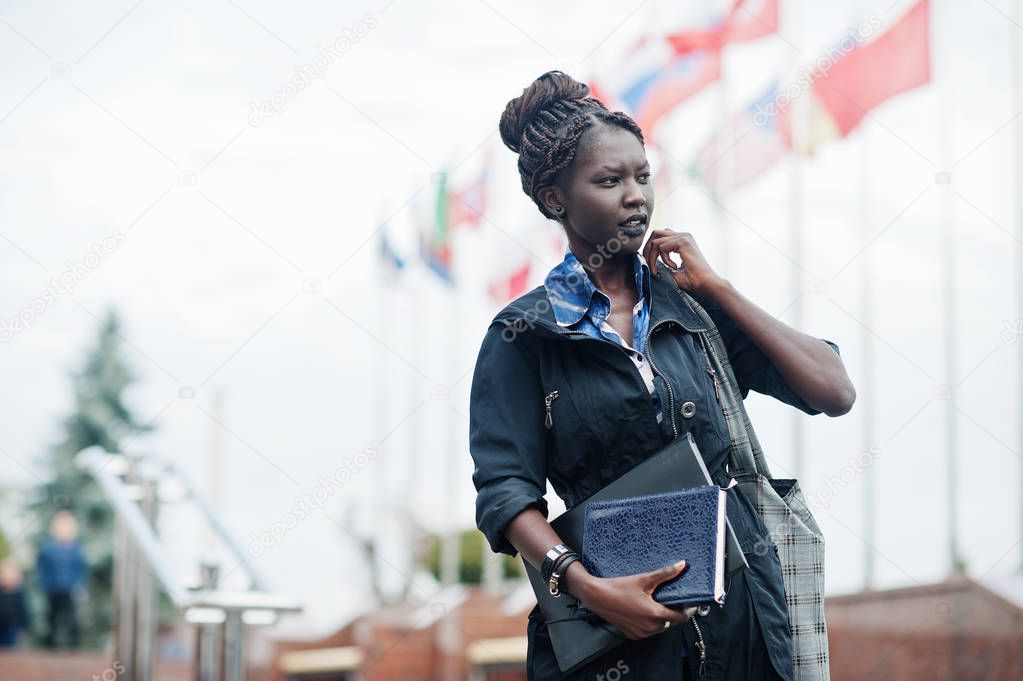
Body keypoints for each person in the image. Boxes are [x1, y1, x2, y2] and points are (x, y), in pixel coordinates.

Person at [468, 71, 855, 681]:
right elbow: (505, 494)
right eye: (609, 180)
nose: (636, 197)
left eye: (643, 176)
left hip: (746, 627)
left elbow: (833, 391)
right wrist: (585, 585)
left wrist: (719, 289)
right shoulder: (524, 336)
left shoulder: (695, 309)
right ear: (554, 199)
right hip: (617, 635)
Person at [37, 510, 88, 649]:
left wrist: (78, 585)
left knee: (70, 619)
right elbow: (42, 569)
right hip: (52, 590)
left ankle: (72, 646)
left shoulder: (76, 550)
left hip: (70, 590)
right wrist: (45, 585)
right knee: (51, 618)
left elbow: (81, 570)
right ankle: (50, 646)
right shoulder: (47, 549)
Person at [0, 559, 29, 648]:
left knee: (10, 647)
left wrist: (25, 624)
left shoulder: (20, 594)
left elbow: (23, 610)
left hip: (12, 626)